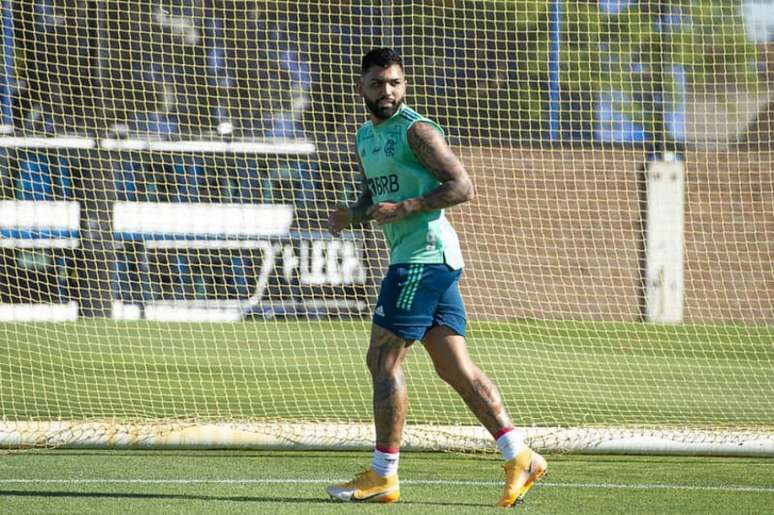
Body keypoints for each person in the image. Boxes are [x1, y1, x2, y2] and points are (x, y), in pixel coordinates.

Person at [326, 47, 546, 508]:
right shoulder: (365, 137)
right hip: (426, 259)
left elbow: (462, 186)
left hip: (422, 258)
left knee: (382, 360)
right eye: (377, 84)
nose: (387, 91)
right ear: (361, 87)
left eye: (394, 83)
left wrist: (405, 209)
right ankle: (519, 454)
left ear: (403, 85)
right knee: (454, 368)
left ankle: (383, 474)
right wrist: (353, 214)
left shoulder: (417, 130)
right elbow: (375, 198)